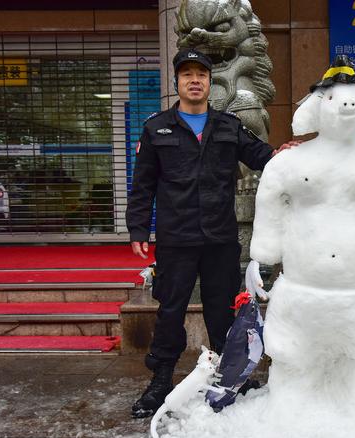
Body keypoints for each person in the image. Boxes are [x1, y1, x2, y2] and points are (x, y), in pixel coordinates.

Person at [126, 48, 294, 418]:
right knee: (170, 311)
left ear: (209, 81)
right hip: (176, 239)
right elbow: (143, 185)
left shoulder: (227, 125)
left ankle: (228, 375)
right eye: (187, 74)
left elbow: (262, 156)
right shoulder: (157, 128)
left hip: (219, 238)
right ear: (178, 83)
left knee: (222, 313)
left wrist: (287, 153)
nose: (195, 80)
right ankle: (160, 382)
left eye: (201, 74)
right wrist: (138, 227)